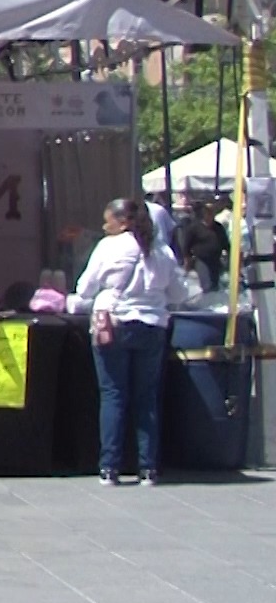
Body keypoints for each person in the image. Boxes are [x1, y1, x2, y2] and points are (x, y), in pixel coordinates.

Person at [76, 197, 187, 486]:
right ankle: (148, 467)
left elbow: (85, 288)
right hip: (152, 325)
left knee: (113, 395)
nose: (104, 226)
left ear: (123, 221)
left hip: (113, 323)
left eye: (108, 221)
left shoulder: (108, 247)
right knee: (147, 397)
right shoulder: (161, 250)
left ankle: (109, 467)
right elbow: (179, 293)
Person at [178, 202, 227, 292]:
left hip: (215, 261)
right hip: (201, 260)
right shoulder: (194, 228)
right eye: (207, 212)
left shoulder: (218, 227)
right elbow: (186, 245)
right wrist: (187, 259)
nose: (209, 214)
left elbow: (226, 244)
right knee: (206, 286)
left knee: (215, 287)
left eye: (211, 212)